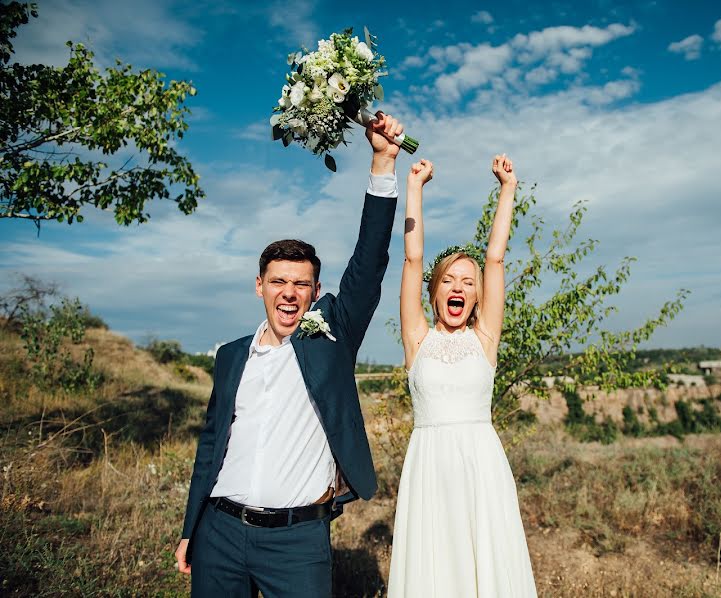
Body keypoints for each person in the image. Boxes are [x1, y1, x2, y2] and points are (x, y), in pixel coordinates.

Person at [174, 113, 406, 597]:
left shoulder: (330, 338)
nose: (289, 293)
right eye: (278, 281)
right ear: (259, 286)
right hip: (218, 532)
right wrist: (190, 526)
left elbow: (368, 264)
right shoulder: (231, 355)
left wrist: (382, 163)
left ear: (316, 290)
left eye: (302, 284)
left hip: (297, 542)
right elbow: (210, 446)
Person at [388, 154, 537, 596]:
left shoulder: (485, 337)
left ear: (476, 297)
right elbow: (412, 262)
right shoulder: (417, 338)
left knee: (484, 565)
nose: (458, 287)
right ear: (435, 293)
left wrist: (507, 189)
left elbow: (495, 260)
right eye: (449, 280)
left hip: (481, 465)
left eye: (467, 282)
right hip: (429, 467)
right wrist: (414, 187)